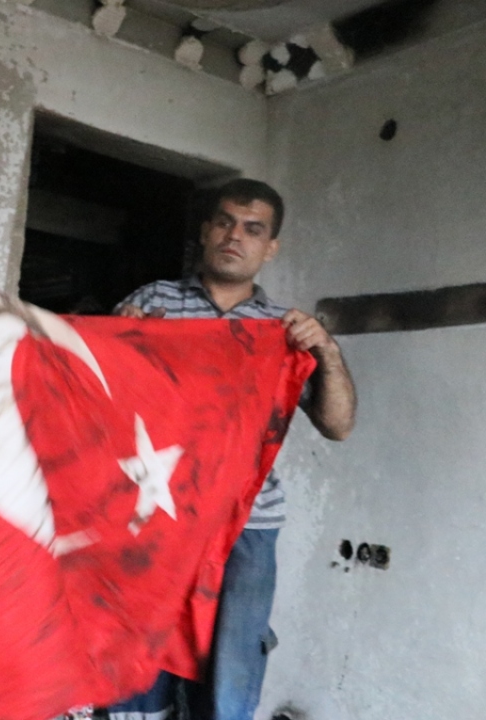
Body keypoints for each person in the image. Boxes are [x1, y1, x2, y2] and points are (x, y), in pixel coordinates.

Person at [110, 178, 356, 720]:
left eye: (252, 229)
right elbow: (96, 404)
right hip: (156, 508)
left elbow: (337, 427)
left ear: (271, 247)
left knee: (232, 659)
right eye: (223, 221)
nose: (233, 236)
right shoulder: (152, 303)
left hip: (247, 519)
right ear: (204, 230)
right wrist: (116, 344)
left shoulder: (285, 330)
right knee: (142, 645)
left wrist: (328, 352)